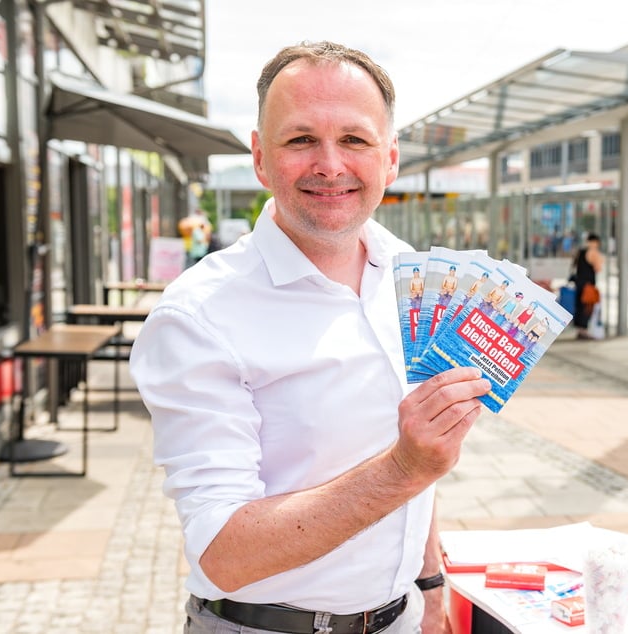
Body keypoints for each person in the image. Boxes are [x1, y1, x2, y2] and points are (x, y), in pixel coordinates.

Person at [129, 41, 492, 634]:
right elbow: (223, 554)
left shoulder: (409, 272)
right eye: (301, 140)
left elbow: (412, 452)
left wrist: (429, 583)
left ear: (390, 158)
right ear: (261, 159)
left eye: (354, 139)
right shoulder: (198, 316)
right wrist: (406, 466)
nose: (330, 164)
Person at [572, 233, 604, 340]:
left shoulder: (580, 252)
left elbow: (575, 266)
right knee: (587, 307)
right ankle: (584, 331)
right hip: (588, 285)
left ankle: (580, 331)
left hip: (579, 283)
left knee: (580, 307)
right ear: (595, 242)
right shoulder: (593, 253)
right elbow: (598, 268)